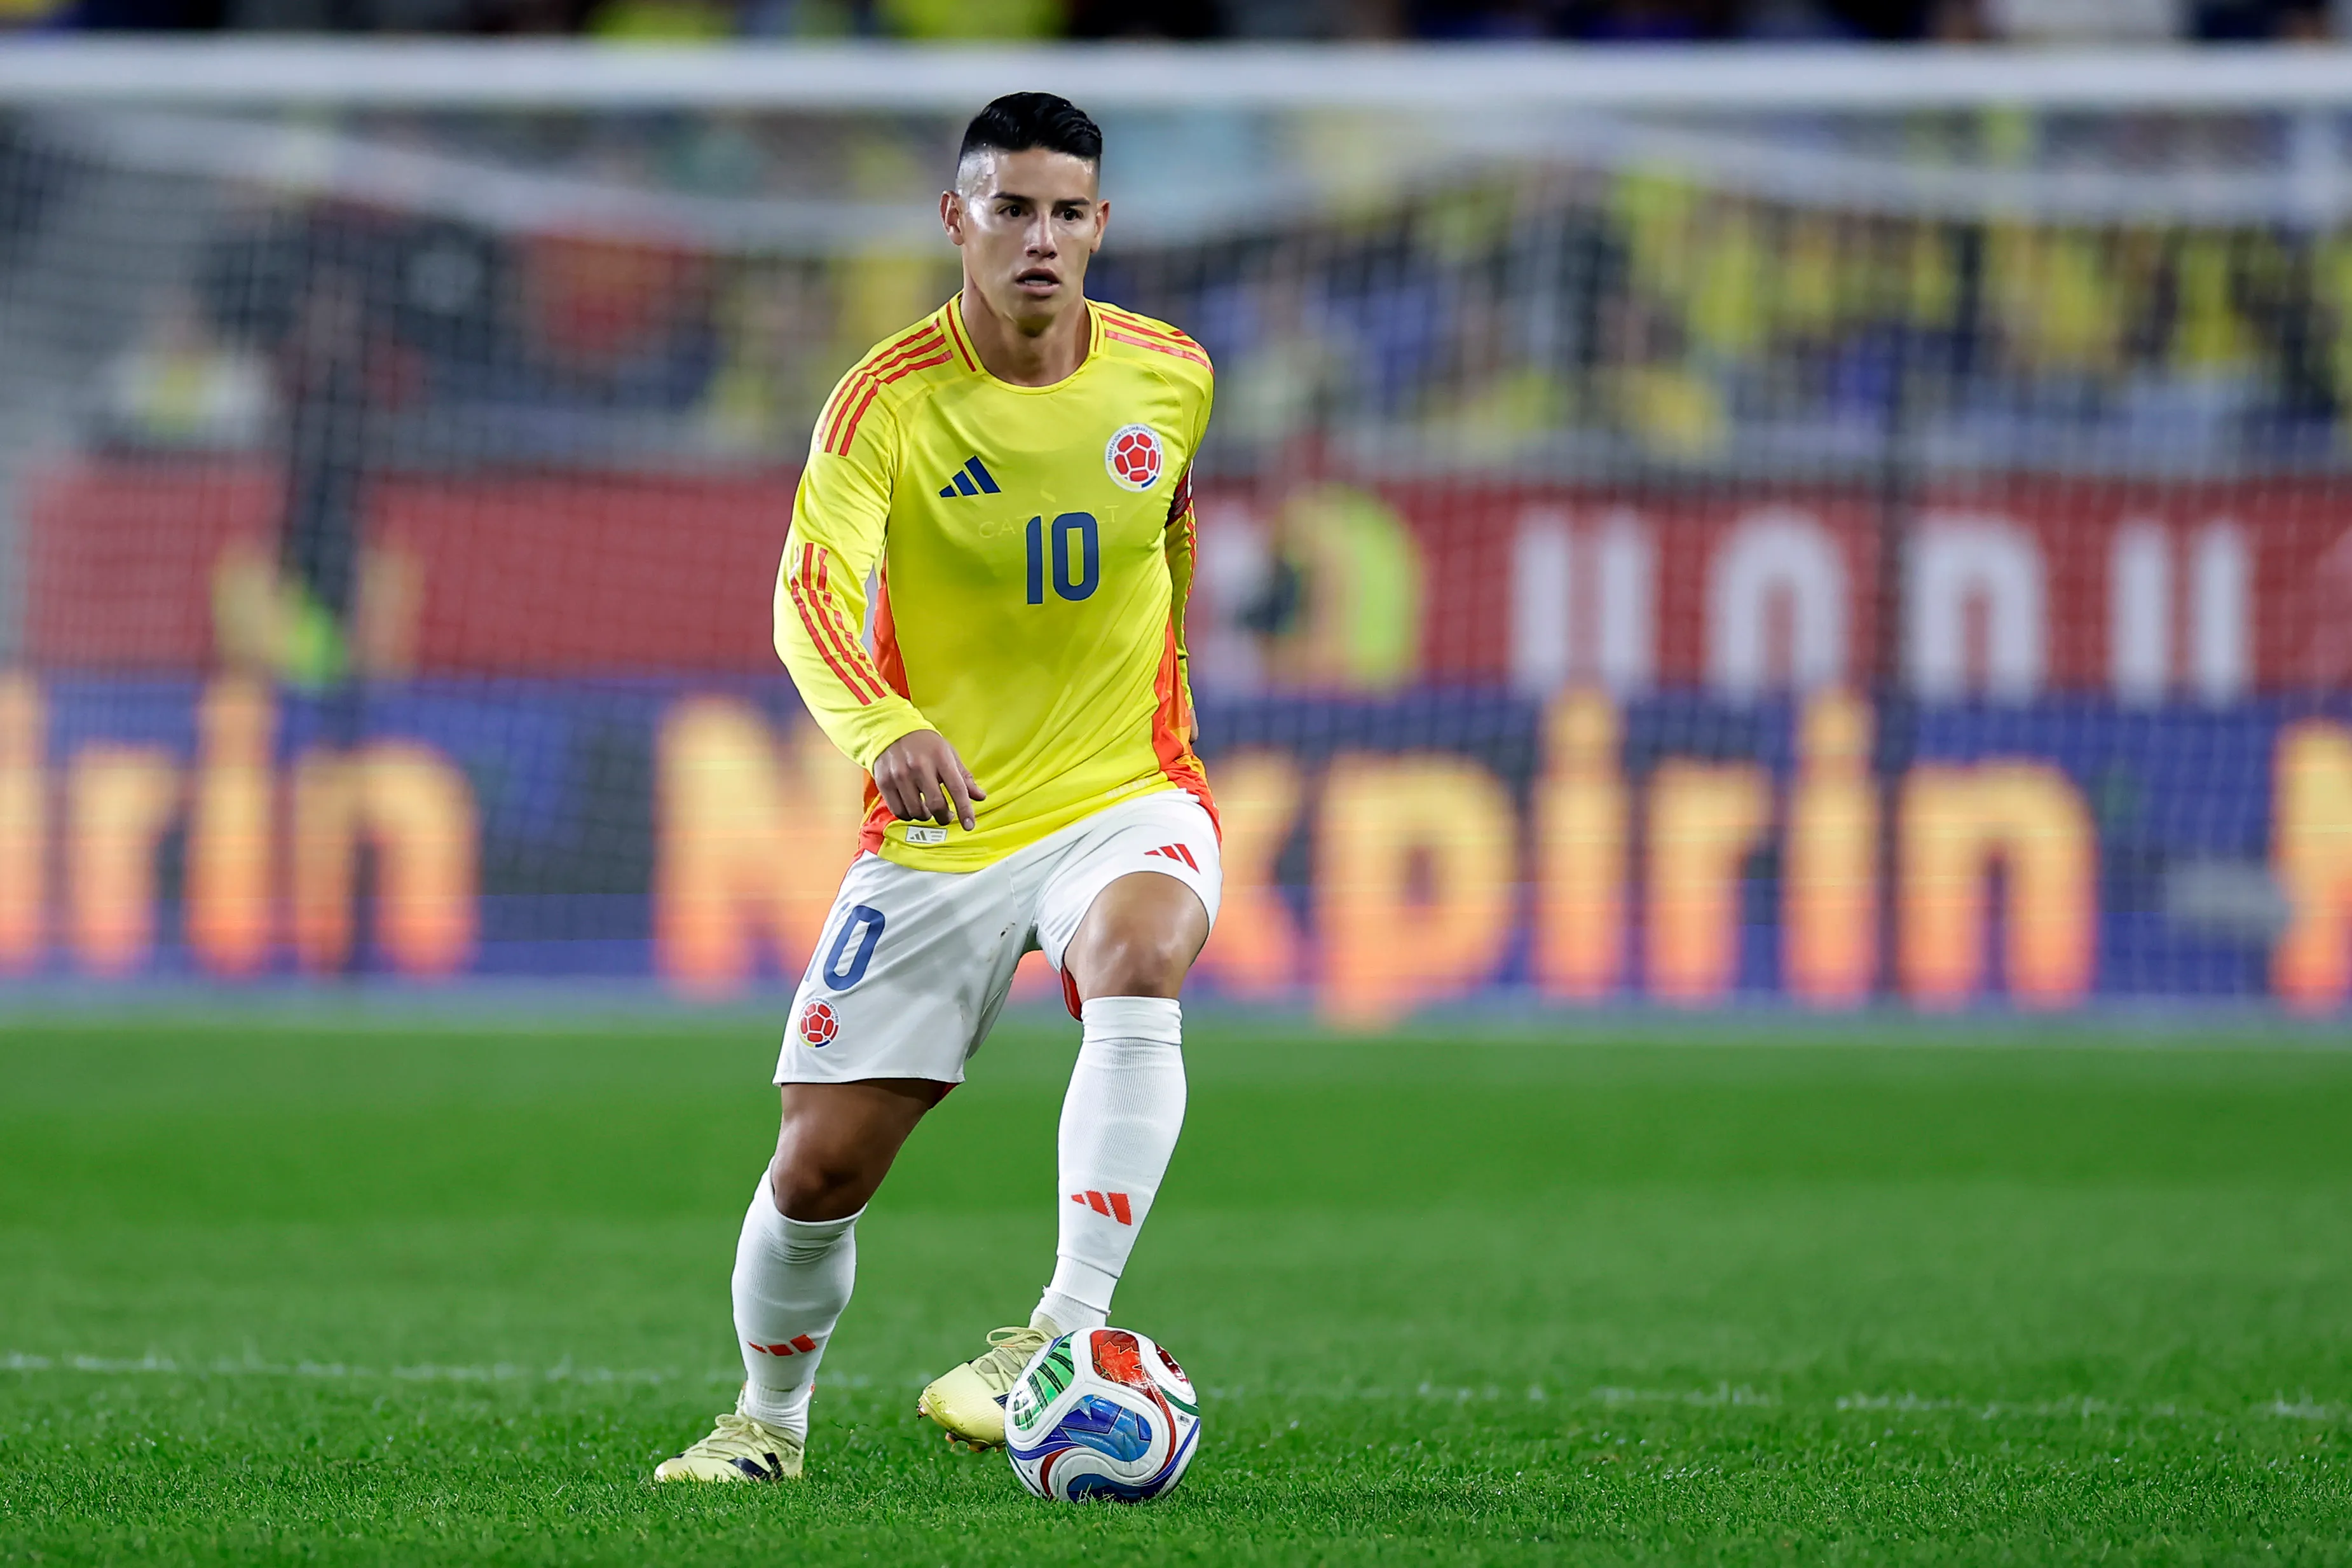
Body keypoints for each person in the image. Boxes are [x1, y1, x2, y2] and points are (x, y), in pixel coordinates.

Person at [653, 92, 1220, 1483]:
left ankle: (1059, 1334)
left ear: (1101, 226)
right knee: (818, 1173)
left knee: (1140, 957)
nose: (1040, 238)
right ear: (955, 218)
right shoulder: (884, 402)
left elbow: (1172, 559)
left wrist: (1152, 727)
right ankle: (764, 1428)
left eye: (1066, 212)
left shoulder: (1173, 377)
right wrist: (882, 724)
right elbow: (807, 596)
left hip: (1122, 786)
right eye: (1011, 208)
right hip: (942, 827)